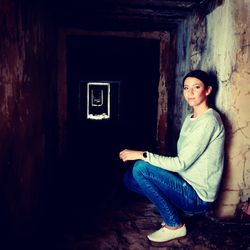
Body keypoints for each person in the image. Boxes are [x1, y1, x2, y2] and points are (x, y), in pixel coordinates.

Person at [119, 70, 225, 243]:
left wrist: (143, 154)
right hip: (185, 182)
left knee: (141, 167)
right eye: (186, 88)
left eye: (196, 87)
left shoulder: (209, 121)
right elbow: (182, 160)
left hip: (198, 197)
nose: (190, 93)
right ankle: (175, 208)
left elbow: (181, 163)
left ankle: (174, 224)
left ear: (207, 90)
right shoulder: (191, 118)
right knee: (130, 179)